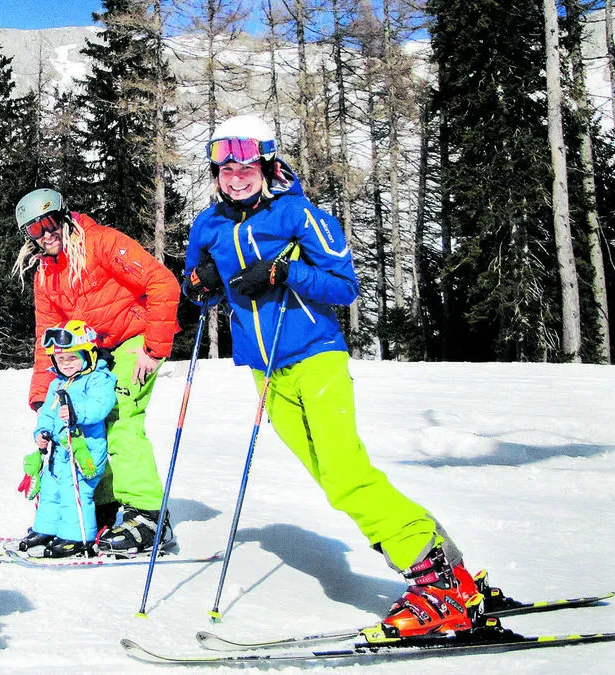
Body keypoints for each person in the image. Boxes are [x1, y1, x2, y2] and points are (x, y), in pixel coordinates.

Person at [182, 114, 480, 638]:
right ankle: (445, 567)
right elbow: (199, 289)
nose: (236, 175)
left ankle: (435, 580)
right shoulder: (207, 225)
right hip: (264, 371)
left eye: (247, 164)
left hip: (316, 356)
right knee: (332, 481)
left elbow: (345, 287)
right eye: (226, 166)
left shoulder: (299, 214)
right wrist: (200, 285)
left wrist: (283, 271)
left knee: (345, 474)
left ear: (266, 165)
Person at [12, 188, 181, 556]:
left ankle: (149, 515)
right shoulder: (46, 275)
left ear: (63, 215)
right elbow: (49, 335)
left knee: (119, 419)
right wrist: (44, 396)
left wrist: (154, 348)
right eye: (33, 230)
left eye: (47, 222)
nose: (45, 233)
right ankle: (98, 505)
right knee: (85, 427)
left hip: (134, 338)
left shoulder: (102, 243)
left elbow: (162, 283)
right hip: (91, 352)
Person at [17, 320, 118, 558]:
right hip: (58, 453)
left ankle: (77, 537)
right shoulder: (57, 383)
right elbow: (48, 415)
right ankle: (46, 529)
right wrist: (42, 433)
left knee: (76, 492)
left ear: (88, 354)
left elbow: (100, 405)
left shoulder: (98, 378)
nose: (66, 365)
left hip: (85, 450)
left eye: (72, 358)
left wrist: (76, 412)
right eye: (61, 360)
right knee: (51, 489)